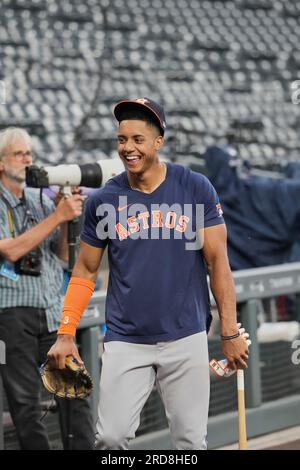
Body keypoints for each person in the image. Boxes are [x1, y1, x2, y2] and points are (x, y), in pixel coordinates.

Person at [48, 98, 249, 450]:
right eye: (122, 139)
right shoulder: (104, 200)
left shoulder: (195, 187)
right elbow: (85, 269)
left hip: (185, 334)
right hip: (126, 338)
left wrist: (229, 331)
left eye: (138, 139)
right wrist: (66, 332)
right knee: (110, 438)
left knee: (189, 442)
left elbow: (219, 264)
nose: (128, 148)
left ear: (158, 142)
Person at [0, 127, 94, 450]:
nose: (28, 159)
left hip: (52, 309)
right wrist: (57, 216)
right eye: (19, 153)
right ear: (1, 163)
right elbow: (10, 251)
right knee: (25, 404)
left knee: (74, 392)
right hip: (12, 312)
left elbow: (62, 255)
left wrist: (66, 216)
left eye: (30, 153)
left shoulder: (39, 200)